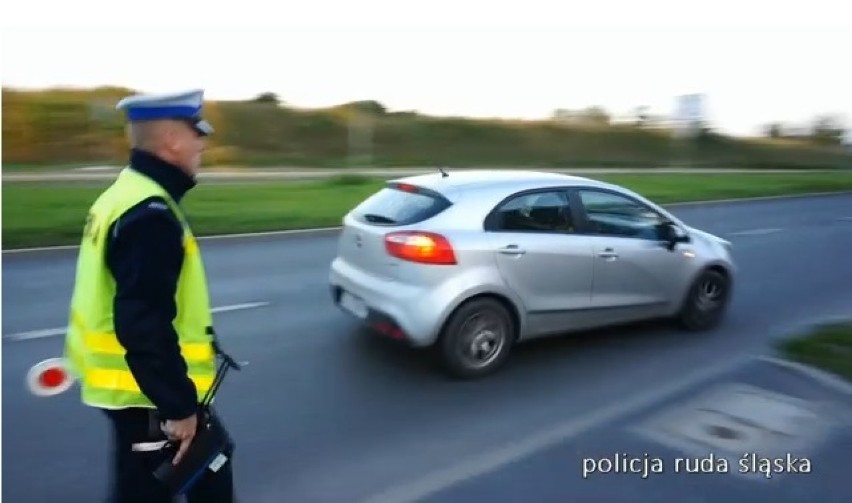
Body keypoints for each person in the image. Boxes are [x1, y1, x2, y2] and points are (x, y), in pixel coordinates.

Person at [62, 89, 236, 503]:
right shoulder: (150, 214)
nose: (203, 145)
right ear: (173, 140)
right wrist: (177, 406)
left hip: (138, 390)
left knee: (202, 471)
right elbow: (143, 321)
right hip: (148, 397)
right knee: (196, 477)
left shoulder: (126, 193)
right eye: (198, 134)